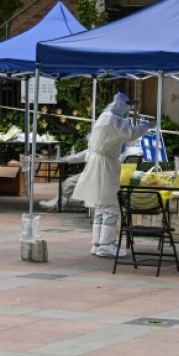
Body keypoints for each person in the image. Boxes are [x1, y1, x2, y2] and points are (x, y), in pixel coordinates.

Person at [74, 92, 155, 258]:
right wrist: (147, 126)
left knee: (100, 205)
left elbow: (123, 136)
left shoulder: (104, 117)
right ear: (121, 106)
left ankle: (97, 243)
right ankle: (106, 245)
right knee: (111, 206)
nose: (126, 112)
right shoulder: (113, 119)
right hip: (106, 165)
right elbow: (129, 134)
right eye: (126, 108)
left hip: (98, 163)